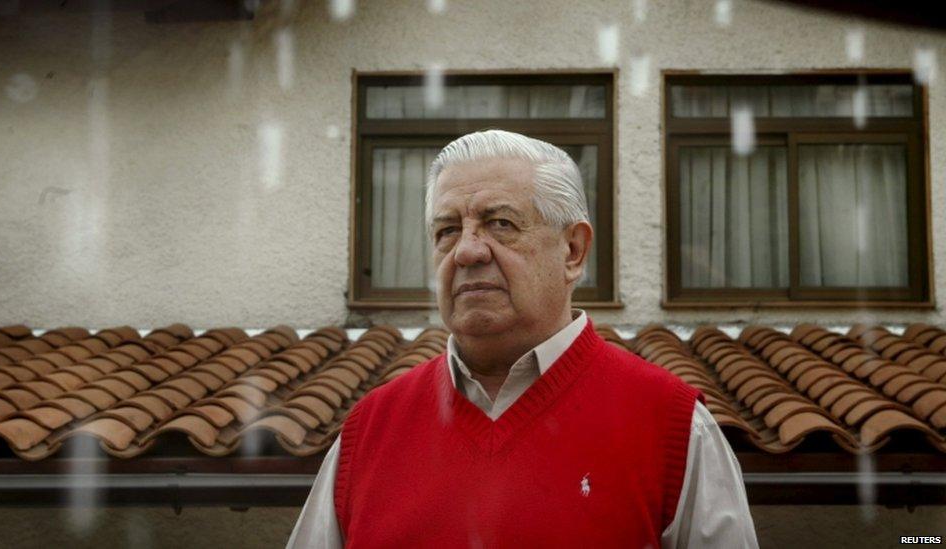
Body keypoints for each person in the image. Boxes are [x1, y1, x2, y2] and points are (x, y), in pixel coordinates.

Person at [287, 129, 758, 548]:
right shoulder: (369, 433)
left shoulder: (673, 428)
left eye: (501, 224)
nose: (468, 251)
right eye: (448, 231)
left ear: (573, 251)